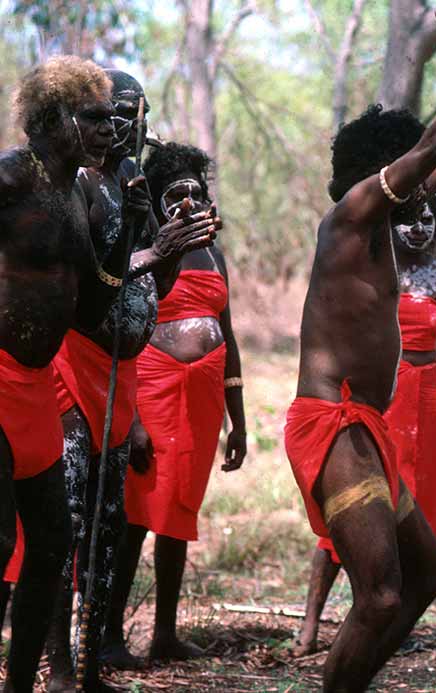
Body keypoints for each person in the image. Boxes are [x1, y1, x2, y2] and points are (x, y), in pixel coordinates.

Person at [282, 2, 436, 687]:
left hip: (366, 428)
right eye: (412, 169)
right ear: (382, 167)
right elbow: (431, 150)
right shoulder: (352, 214)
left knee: (427, 572)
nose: (427, 185)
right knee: (381, 594)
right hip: (331, 427)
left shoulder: (387, 218)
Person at [39, 70, 218, 693]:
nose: (122, 127)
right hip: (73, 369)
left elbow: (153, 289)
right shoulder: (77, 184)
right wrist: (155, 250)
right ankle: (59, 668)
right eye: (109, 114)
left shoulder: (131, 183)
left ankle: (90, 666)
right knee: (68, 525)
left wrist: (173, 248)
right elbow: (86, 281)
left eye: (132, 115)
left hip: (121, 374)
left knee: (109, 526)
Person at [292, 190, 436, 657]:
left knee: (416, 510)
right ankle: (309, 625)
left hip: (424, 405)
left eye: (428, 220)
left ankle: (391, 625)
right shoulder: (366, 268)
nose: (419, 228)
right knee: (352, 509)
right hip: (375, 402)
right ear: (389, 223)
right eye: (410, 220)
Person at [0, 56, 133, 693]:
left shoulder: (78, 195)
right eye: (95, 117)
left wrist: (135, 236)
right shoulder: (10, 177)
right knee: (0, 542)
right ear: (54, 119)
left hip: (35, 392)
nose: (110, 128)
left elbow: (91, 310)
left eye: (112, 118)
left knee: (53, 545)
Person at [102, 142, 245, 665]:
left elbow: (228, 336)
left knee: (180, 511)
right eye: (175, 194)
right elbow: (121, 337)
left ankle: (165, 633)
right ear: (159, 203)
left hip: (203, 401)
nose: (188, 202)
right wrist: (134, 420)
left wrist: (238, 421)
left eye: (196, 193)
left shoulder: (214, 254)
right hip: (152, 392)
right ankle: (109, 636)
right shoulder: (145, 249)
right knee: (136, 515)